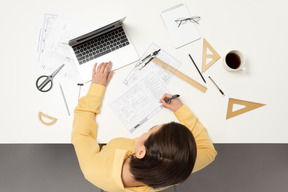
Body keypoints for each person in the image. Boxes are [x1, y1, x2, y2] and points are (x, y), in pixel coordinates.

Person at [72, 62, 217, 192]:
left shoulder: (93, 169)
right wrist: (181, 110)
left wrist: (96, 88)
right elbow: (208, 151)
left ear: (141, 152)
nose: (146, 131)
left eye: (149, 131)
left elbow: (81, 134)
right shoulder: (173, 168)